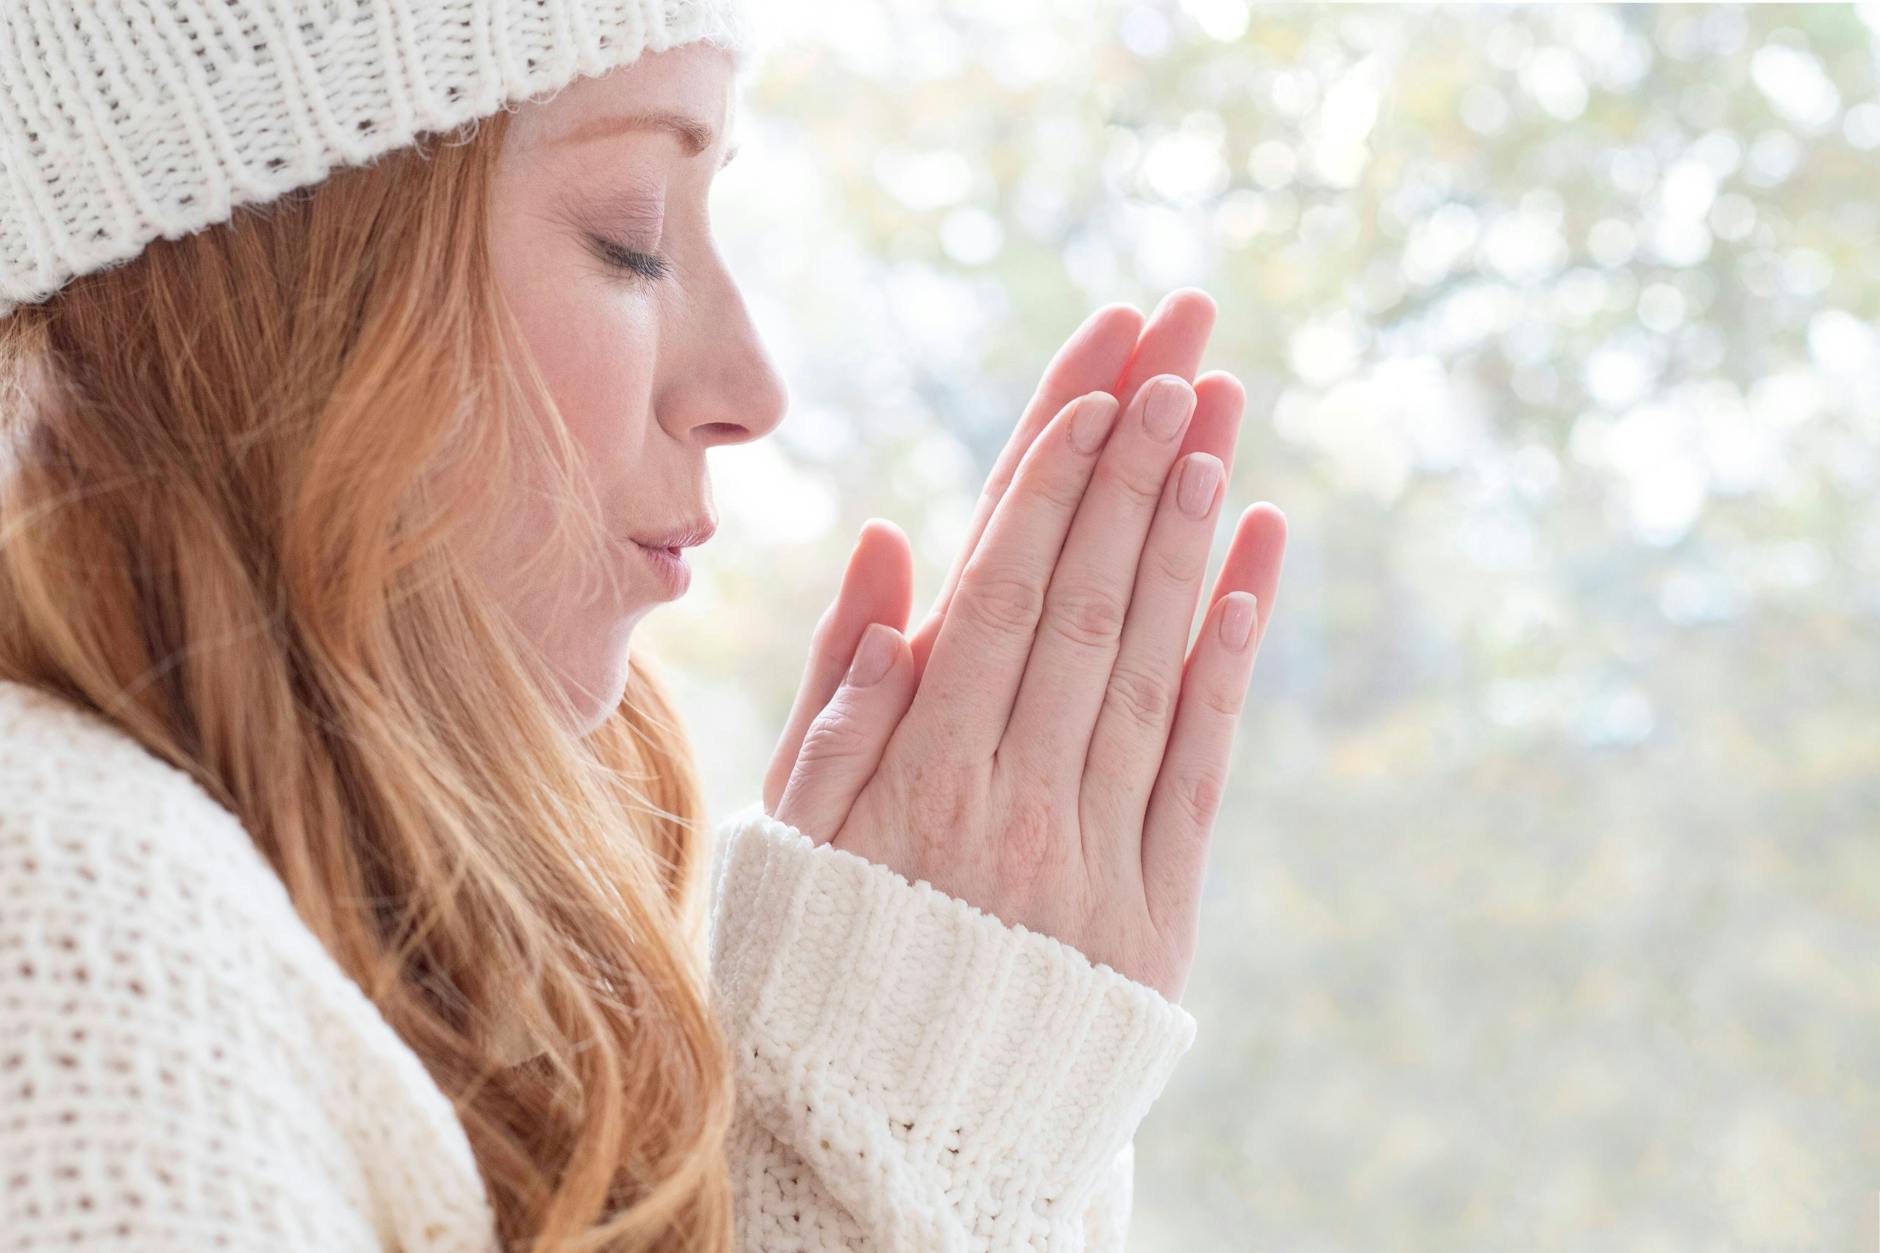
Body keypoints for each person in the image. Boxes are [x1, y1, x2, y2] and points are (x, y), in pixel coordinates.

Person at [0, 1, 1288, 1248]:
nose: (753, 387)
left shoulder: (427, 931)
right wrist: (902, 1123)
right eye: (631, 240)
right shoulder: (72, 930)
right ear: (285, 295)